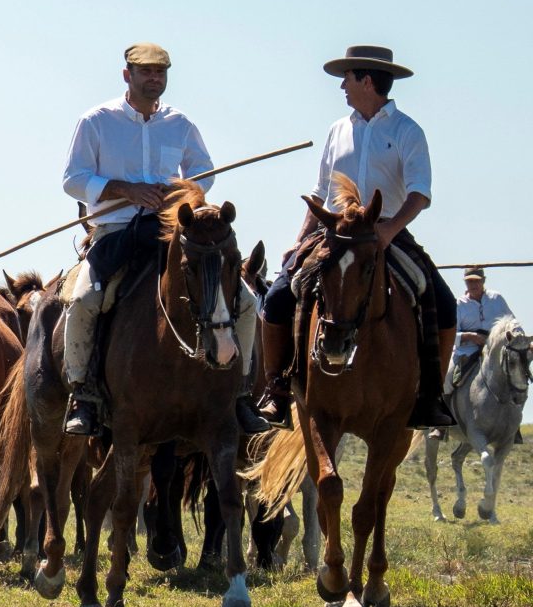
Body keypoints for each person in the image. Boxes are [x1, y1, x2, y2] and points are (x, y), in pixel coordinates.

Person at [58, 43, 265, 437]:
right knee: (84, 299)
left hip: (173, 233)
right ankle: (83, 393)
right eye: (146, 72)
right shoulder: (96, 121)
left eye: (160, 73)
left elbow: (203, 171)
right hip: (116, 230)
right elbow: (73, 179)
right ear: (127, 76)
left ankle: (240, 393)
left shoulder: (180, 124)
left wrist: (180, 192)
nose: (154, 79)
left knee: (247, 301)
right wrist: (125, 189)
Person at [256, 45, 453, 430]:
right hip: (334, 235)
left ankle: (430, 396)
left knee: (443, 304)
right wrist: (299, 241)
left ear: (366, 81)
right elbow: (319, 193)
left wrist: (389, 230)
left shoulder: (408, 131)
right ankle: (277, 390)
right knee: (279, 296)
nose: (341, 87)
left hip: (387, 234)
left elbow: (420, 194)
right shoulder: (337, 130)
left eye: (346, 78)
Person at [448, 266, 513, 391]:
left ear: (483, 280)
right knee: (446, 378)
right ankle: (440, 409)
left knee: (517, 372)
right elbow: (450, 335)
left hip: (494, 350)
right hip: (466, 352)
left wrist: (522, 340)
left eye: (476, 280)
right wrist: (470, 337)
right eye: (469, 281)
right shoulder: (459, 304)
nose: (472, 284)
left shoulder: (496, 299)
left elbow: (513, 323)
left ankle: (516, 404)